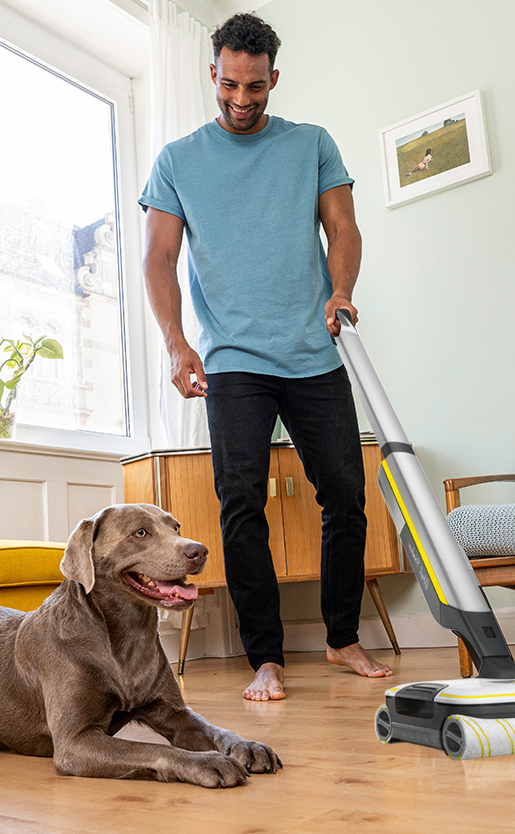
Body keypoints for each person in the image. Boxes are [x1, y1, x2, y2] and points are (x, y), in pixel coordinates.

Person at [139, 12, 391, 702]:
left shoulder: (311, 144)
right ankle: (266, 657)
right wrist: (176, 342)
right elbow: (159, 259)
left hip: (314, 352)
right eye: (229, 85)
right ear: (213, 74)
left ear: (273, 79)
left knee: (346, 498)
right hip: (233, 360)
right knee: (241, 504)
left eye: (255, 86)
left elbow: (343, 226)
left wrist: (341, 291)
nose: (241, 99)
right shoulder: (178, 161)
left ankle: (342, 637)